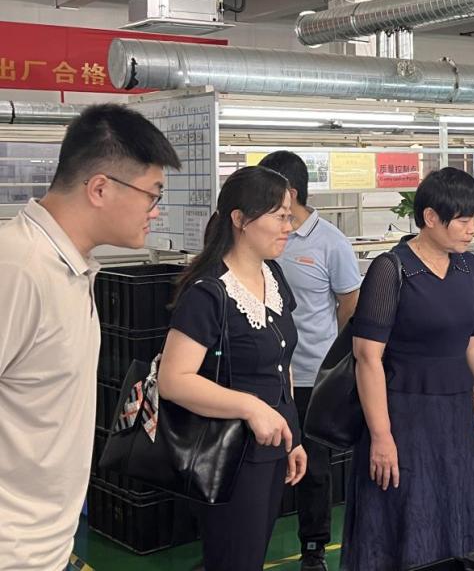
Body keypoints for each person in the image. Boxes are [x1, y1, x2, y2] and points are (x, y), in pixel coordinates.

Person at [0, 104, 180, 571]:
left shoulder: (71, 269)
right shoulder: (18, 270)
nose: (156, 212)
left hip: (46, 546)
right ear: (100, 188)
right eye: (152, 195)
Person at [343, 167, 474, 571]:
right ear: (431, 217)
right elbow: (367, 357)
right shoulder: (392, 269)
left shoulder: (468, 267)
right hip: (404, 415)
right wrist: (381, 435)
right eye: (463, 220)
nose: (472, 229)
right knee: (405, 510)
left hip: (454, 415)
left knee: (453, 507)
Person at [158, 166, 307, 571]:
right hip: (229, 455)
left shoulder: (272, 276)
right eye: (280, 216)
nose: (289, 227)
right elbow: (173, 380)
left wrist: (292, 437)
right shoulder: (209, 292)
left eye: (290, 216)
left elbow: (282, 366)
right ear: (240, 219)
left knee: (251, 555)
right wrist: (252, 407)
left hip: (271, 447)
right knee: (233, 559)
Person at [259, 151, 361, 571]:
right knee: (262, 463)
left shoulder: (330, 242)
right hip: (266, 375)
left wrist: (331, 362)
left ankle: (314, 549)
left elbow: (349, 305)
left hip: (310, 376)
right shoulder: (260, 234)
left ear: (290, 191)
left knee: (314, 468)